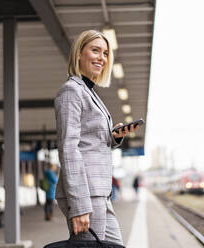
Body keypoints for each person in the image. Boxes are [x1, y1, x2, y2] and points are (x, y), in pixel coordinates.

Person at [54, 30, 140, 245]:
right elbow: (68, 149)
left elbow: (90, 141)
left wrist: (113, 136)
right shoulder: (71, 91)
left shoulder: (89, 91)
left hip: (100, 192)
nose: (101, 57)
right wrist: (80, 205)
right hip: (86, 193)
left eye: (105, 53)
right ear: (79, 54)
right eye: (95, 50)